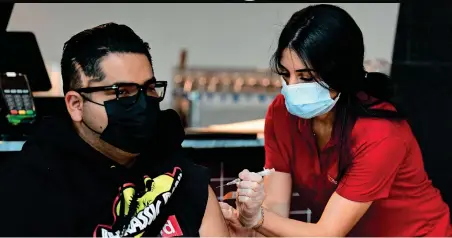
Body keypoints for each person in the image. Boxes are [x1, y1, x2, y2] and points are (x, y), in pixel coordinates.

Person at [220, 4, 452, 237]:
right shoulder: (282, 114)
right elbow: (276, 214)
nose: (292, 88)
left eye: (306, 77)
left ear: (339, 74)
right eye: (285, 74)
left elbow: (327, 234)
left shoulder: (380, 134)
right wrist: (248, 224)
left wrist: (257, 219)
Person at [0, 23, 229, 237]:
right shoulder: (32, 188)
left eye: (148, 88)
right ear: (76, 105)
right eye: (122, 92)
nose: (141, 105)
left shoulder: (182, 176)